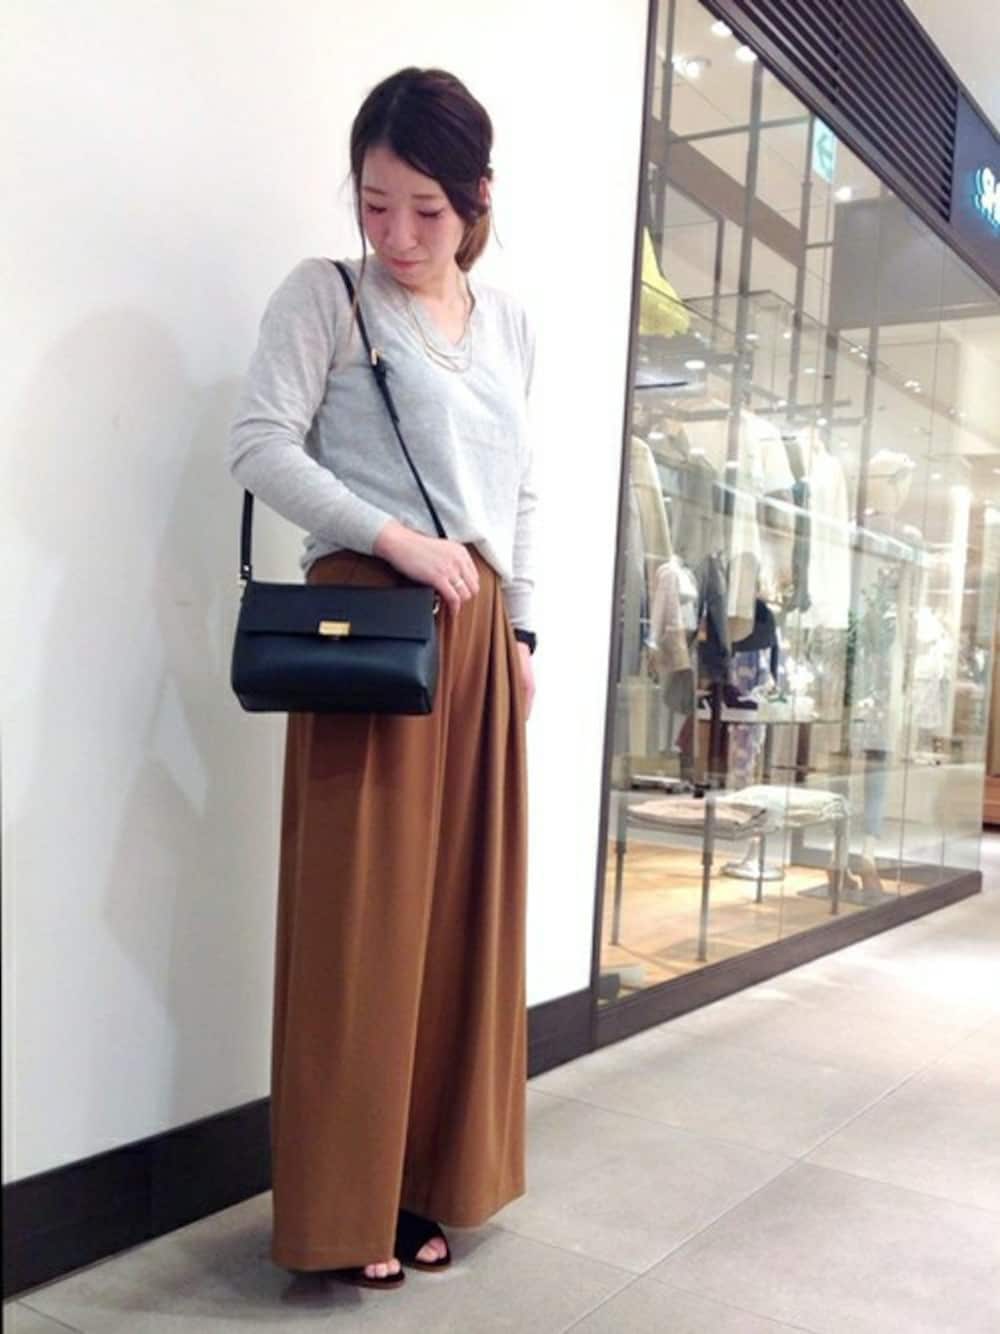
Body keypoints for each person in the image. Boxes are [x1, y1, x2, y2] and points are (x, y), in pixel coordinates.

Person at [228, 67, 538, 1290]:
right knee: (359, 925)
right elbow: (259, 443)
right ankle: (342, 1201)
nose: (397, 235)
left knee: (460, 919)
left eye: (426, 209)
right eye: (374, 203)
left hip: (480, 632)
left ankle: (430, 1178)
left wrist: (525, 633)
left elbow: (521, 489)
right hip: (368, 619)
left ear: (476, 199)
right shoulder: (326, 296)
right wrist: (393, 536)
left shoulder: (509, 325)